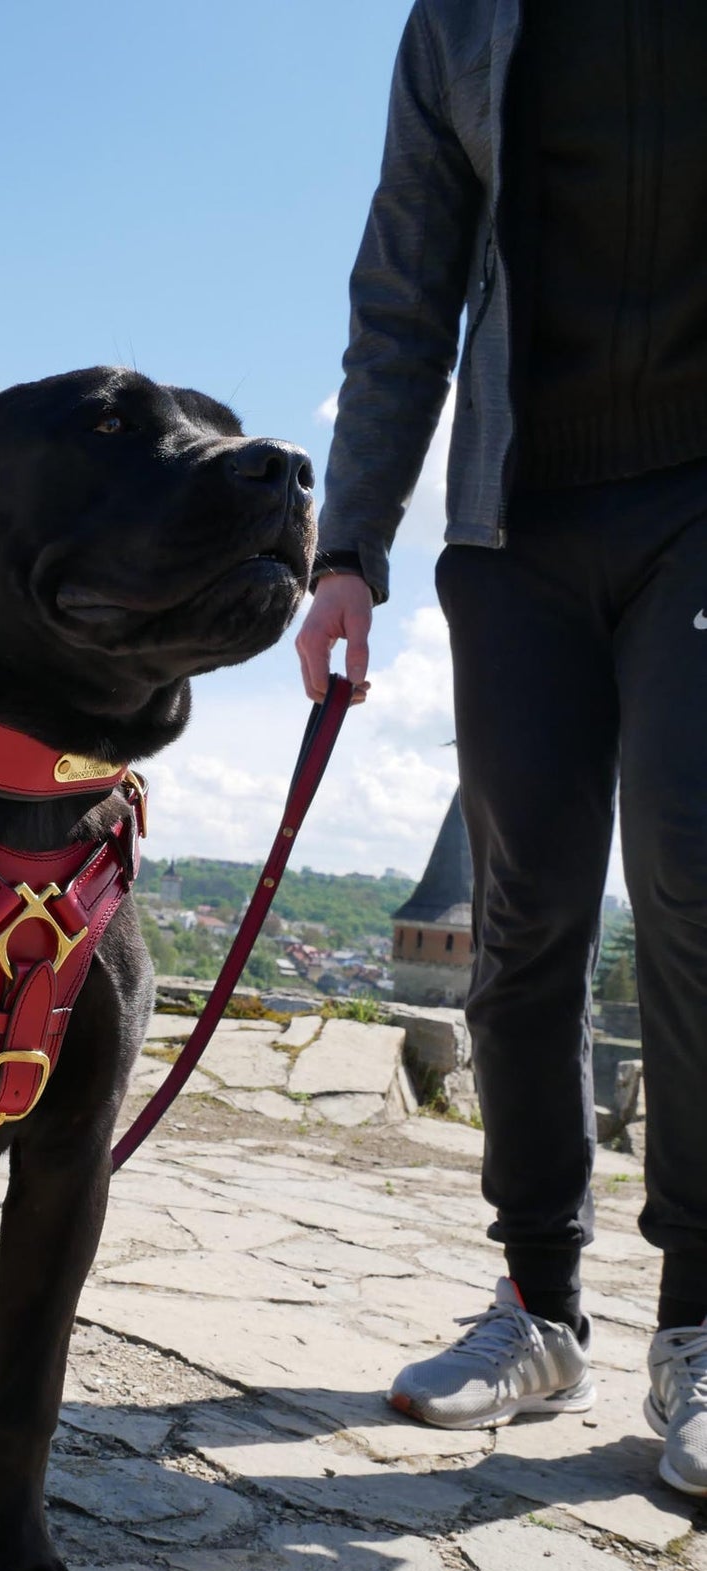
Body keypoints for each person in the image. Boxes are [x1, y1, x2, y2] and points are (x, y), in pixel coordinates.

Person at [297, 0, 707, 1493]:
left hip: (696, 507)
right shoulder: (460, 19)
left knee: (692, 870)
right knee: (522, 911)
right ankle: (538, 1306)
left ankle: (700, 1327)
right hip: (519, 518)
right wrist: (347, 544)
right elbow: (405, 277)